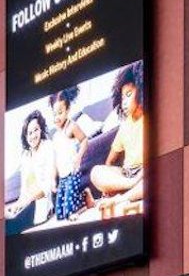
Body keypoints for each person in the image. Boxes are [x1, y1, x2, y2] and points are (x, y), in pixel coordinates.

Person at [90, 63, 145, 213]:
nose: (124, 102)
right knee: (96, 172)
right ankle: (130, 187)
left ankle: (121, 198)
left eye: (128, 95)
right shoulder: (124, 125)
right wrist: (111, 182)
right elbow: (110, 161)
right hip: (127, 175)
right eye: (122, 97)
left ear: (141, 90)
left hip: (145, 170)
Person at [5, 110, 56, 232]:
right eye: (29, 133)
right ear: (25, 136)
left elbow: (48, 185)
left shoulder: (47, 146)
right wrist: (18, 205)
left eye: (36, 130)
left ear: (41, 129)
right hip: (27, 204)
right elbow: (24, 190)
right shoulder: (25, 156)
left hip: (42, 202)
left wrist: (26, 201)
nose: (33, 136)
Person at [48, 87, 89, 219]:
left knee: (69, 213)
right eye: (54, 114)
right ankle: (84, 195)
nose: (57, 117)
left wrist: (78, 157)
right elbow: (54, 160)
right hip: (63, 177)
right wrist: (53, 179)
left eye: (60, 112)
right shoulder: (55, 136)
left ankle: (84, 203)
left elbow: (84, 140)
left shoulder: (72, 127)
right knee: (59, 215)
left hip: (72, 173)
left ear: (67, 110)